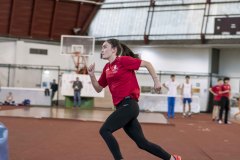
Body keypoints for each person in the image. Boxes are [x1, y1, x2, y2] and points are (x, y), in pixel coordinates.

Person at [87, 39, 181, 160]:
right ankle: (173, 159)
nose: (102, 50)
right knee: (142, 143)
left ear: (114, 50)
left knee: (105, 130)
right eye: (102, 48)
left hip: (129, 104)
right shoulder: (107, 68)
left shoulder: (123, 61)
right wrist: (92, 75)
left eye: (105, 47)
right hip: (122, 108)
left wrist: (156, 80)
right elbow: (98, 88)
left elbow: (147, 64)